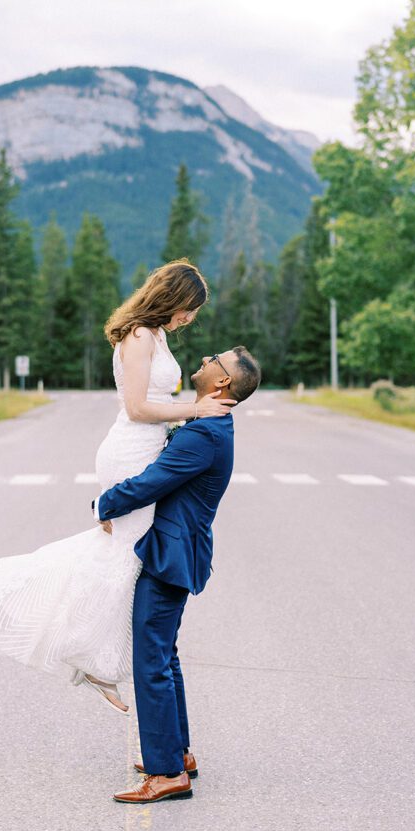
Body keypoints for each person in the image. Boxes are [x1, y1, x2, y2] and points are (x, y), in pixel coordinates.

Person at [0, 260, 234, 712]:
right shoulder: (139, 337)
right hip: (130, 451)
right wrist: (195, 411)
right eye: (190, 308)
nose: (191, 318)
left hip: (149, 448)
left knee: (127, 559)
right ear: (172, 297)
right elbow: (136, 408)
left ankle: (96, 659)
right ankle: (88, 656)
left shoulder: (158, 334)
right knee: (125, 556)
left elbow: (156, 401)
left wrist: (187, 414)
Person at [95, 345, 262, 804]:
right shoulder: (208, 425)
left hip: (169, 554)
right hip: (177, 548)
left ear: (222, 382)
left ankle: (167, 773)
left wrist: (103, 504)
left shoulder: (203, 435)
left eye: (216, 360)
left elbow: (153, 481)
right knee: (163, 655)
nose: (206, 359)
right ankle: (177, 754)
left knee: (151, 659)